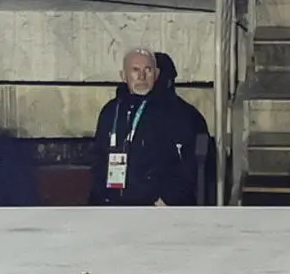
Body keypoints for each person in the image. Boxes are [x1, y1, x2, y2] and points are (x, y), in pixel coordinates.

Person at [89, 46, 212, 204]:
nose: (141, 76)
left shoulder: (178, 114)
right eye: (135, 70)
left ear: (156, 74)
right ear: (123, 76)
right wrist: (99, 197)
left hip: (155, 209)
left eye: (147, 70)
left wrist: (166, 199)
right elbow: (99, 157)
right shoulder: (111, 111)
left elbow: (193, 164)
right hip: (113, 205)